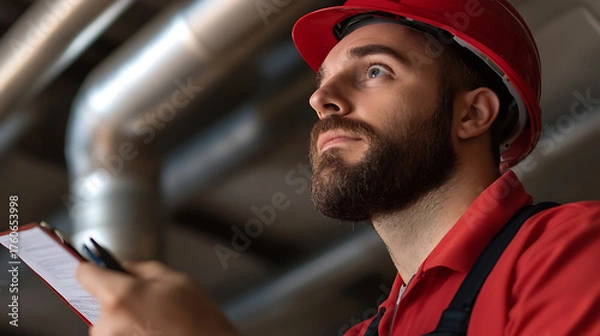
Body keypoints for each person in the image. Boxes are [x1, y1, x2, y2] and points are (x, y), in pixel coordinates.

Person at [76, 0, 600, 335]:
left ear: (472, 113)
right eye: (324, 79)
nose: (322, 98)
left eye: (374, 71)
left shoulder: (571, 250)